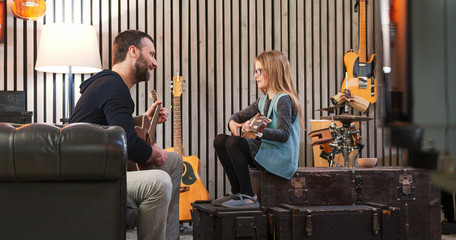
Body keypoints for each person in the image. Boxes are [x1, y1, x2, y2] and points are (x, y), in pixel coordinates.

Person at [70, 30, 182, 240]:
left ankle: (168, 236)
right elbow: (128, 144)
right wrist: (154, 153)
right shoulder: (114, 86)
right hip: (91, 176)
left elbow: (110, 130)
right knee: (160, 181)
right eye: (151, 54)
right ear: (133, 51)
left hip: (100, 166)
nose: (155, 63)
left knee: (175, 162)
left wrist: (143, 120)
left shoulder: (107, 84)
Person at [212, 50, 304, 208]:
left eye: (259, 71)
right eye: (255, 71)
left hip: (281, 158)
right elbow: (238, 116)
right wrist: (232, 123)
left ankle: (248, 195)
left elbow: (284, 135)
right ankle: (237, 191)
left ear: (273, 71)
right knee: (220, 140)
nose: (256, 75)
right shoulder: (263, 101)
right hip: (267, 152)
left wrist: (256, 132)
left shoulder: (284, 100)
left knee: (234, 143)